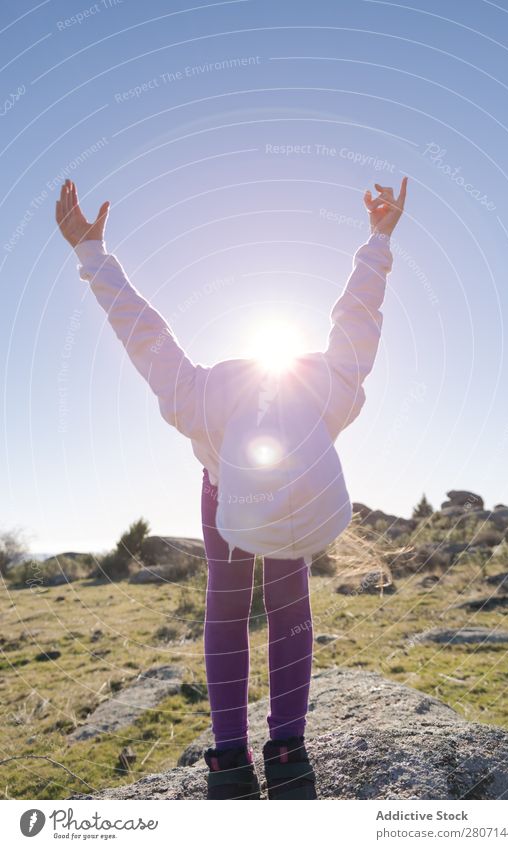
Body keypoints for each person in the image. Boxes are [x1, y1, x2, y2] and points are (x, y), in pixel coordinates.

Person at [56, 175, 407, 799]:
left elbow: (146, 335)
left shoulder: (202, 400)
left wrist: (92, 256)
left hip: (234, 500)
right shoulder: (331, 390)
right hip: (280, 504)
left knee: (230, 612)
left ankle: (235, 756)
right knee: (285, 612)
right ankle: (282, 750)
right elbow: (358, 318)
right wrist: (377, 239)